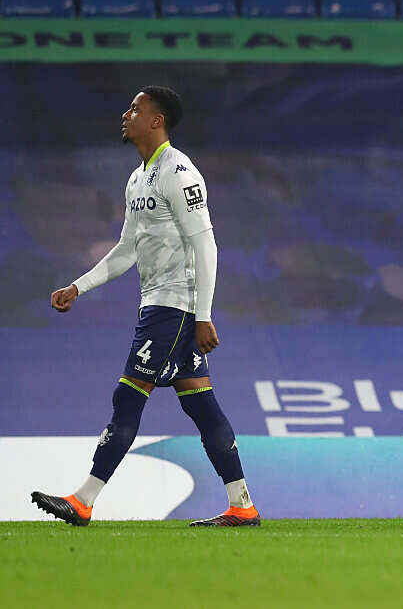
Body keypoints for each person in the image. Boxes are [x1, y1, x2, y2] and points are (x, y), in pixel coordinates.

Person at [31, 86, 260, 528]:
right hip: (159, 306)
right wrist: (79, 286)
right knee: (202, 406)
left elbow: (206, 244)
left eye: (135, 108)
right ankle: (242, 505)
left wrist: (203, 315)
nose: (126, 113)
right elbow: (126, 249)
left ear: (157, 120)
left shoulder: (180, 172)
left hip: (173, 309)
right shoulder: (137, 179)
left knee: (128, 396)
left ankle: (83, 501)